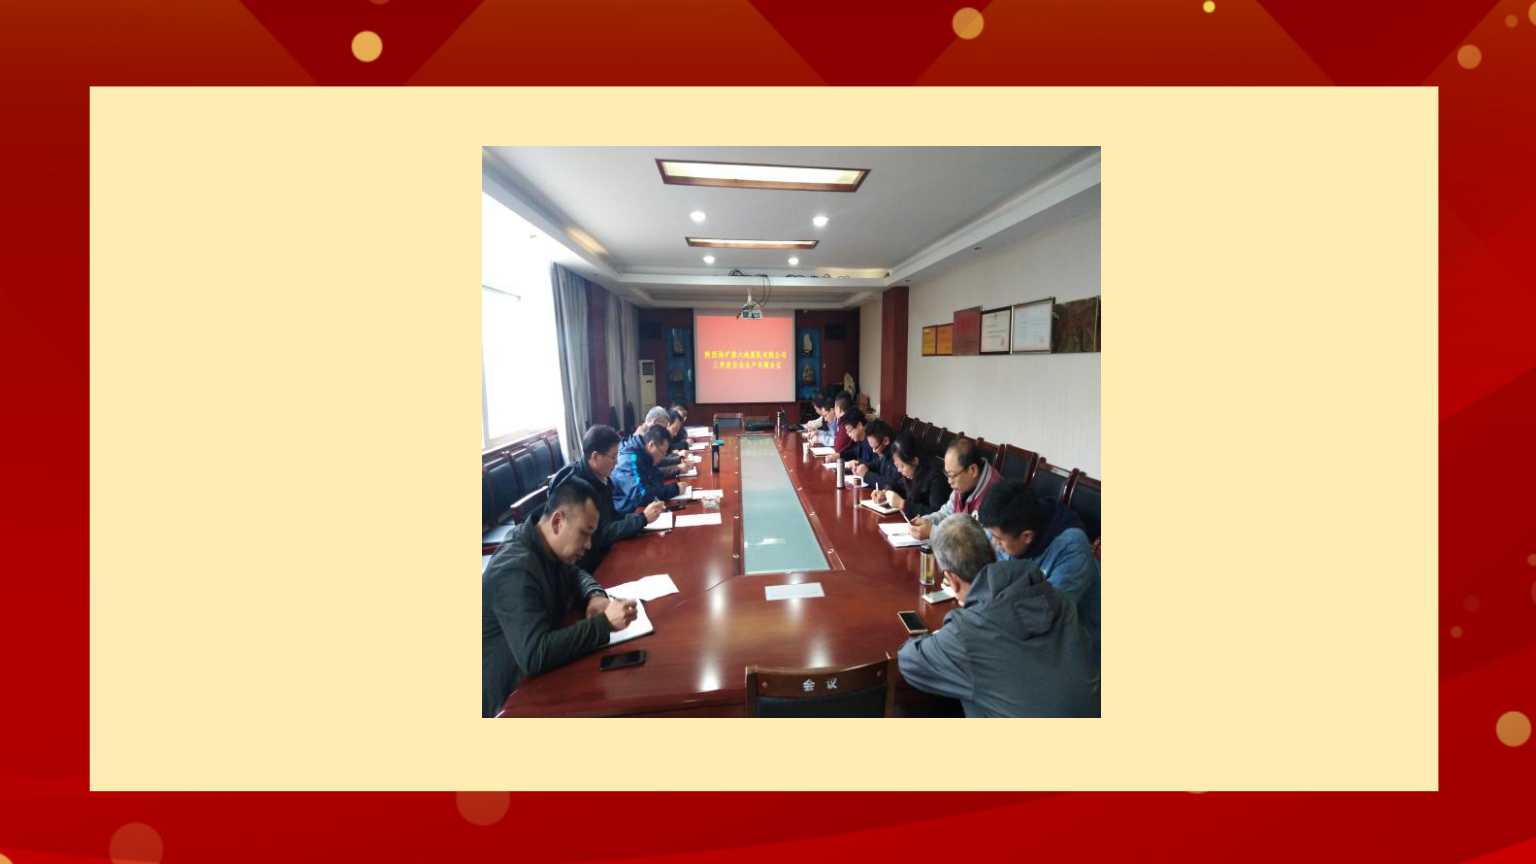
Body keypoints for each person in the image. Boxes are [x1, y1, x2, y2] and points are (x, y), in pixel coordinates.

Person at [897, 515, 1099, 717]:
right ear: (993, 552)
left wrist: (940, 637)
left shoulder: (965, 633)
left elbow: (909, 662)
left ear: (952, 579)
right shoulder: (1054, 596)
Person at [482, 479, 640, 717]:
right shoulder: (515, 569)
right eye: (584, 533)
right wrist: (604, 623)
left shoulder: (542, 541)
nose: (589, 545)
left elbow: (575, 574)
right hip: (508, 699)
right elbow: (535, 655)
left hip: (537, 678)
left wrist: (594, 595)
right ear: (558, 521)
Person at [978, 480, 1101, 655]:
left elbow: (1044, 615)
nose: (994, 544)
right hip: (1023, 630)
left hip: (1075, 647)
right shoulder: (1011, 527)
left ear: (1027, 536)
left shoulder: (1072, 550)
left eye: (998, 539)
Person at [542, 424, 665, 573]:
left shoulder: (600, 477)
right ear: (595, 457)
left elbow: (612, 517)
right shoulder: (577, 489)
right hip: (586, 566)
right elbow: (601, 535)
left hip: (605, 553)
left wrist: (641, 518)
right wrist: (642, 519)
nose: (617, 462)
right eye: (613, 457)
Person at [909, 437, 1000, 540]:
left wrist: (933, 532)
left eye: (952, 475)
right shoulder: (964, 484)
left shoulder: (995, 495)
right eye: (947, 474)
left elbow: (979, 542)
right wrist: (927, 520)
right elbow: (947, 513)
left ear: (973, 470)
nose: (949, 481)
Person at [873, 432, 951, 518]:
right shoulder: (910, 472)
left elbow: (937, 514)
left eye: (902, 466)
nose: (899, 470)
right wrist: (885, 493)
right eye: (897, 466)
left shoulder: (936, 478)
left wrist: (903, 504)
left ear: (915, 461)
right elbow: (897, 485)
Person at [611, 423, 679, 512]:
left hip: (643, 509)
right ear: (651, 445)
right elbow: (640, 495)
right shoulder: (629, 459)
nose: (662, 457)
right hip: (628, 512)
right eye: (662, 452)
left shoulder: (645, 455)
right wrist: (675, 489)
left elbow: (657, 480)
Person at [852, 419, 898, 489]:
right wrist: (862, 465)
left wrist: (867, 475)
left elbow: (892, 485)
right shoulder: (885, 451)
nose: (873, 451)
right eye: (872, 448)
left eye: (875, 448)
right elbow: (877, 464)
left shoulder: (898, 455)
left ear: (886, 441)